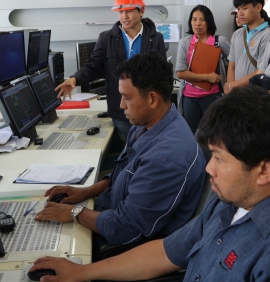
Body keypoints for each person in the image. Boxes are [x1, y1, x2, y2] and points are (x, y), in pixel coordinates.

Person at [30, 86, 270, 282]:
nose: (208, 168)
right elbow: (166, 253)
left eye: (220, 159)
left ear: (265, 171)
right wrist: (81, 272)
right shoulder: (232, 200)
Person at [36, 51, 206, 249]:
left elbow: (125, 229)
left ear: (152, 99)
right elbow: (126, 173)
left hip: (134, 245)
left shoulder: (165, 157)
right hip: (115, 213)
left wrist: (74, 213)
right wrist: (85, 192)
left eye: (127, 97)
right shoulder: (146, 124)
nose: (121, 105)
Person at [54, 0, 166, 143]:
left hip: (148, 109)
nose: (124, 16)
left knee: (151, 151)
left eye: (129, 11)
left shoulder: (156, 38)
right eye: (120, 12)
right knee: (129, 153)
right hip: (120, 109)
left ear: (141, 11)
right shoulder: (107, 38)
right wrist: (74, 79)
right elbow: (93, 66)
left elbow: (162, 74)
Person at [176, 5, 230, 133]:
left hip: (212, 97)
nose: (197, 23)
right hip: (189, 98)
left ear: (209, 22)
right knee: (191, 132)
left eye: (202, 20)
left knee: (214, 132)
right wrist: (207, 77)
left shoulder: (219, 42)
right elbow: (180, 73)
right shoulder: (185, 43)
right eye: (194, 19)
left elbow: (234, 62)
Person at [224, 0, 270, 93]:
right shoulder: (237, 34)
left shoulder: (268, 36)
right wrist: (230, 91)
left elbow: (261, 71)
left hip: (255, 94)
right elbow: (232, 66)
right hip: (236, 95)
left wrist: (232, 85)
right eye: (238, 9)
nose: (240, 13)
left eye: (244, 8)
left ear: (258, 7)